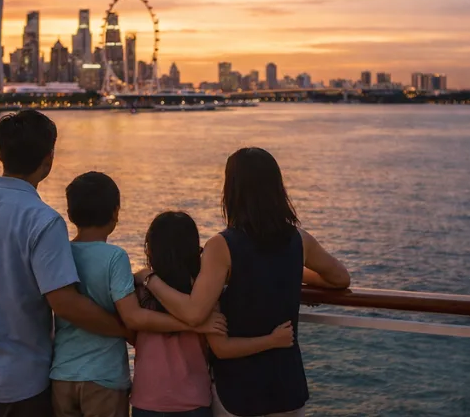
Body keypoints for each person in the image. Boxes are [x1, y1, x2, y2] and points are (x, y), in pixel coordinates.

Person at [0, 111, 129, 417]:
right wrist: (125, 329)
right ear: (49, 159)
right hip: (23, 384)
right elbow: (64, 302)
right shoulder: (43, 220)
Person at [137, 147, 351, 417]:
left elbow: (194, 313)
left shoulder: (222, 246)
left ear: (232, 190)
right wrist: (290, 270)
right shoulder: (299, 239)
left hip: (240, 390)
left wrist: (148, 277)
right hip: (287, 387)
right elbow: (340, 278)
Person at [51, 173, 227, 417]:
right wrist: (194, 324)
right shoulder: (116, 258)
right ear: (115, 213)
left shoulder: (61, 255)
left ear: (70, 214)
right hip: (107, 377)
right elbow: (133, 319)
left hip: (63, 373)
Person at [132, 211, 294, 417]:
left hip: (147, 399)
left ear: (152, 248)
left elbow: (129, 331)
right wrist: (271, 340)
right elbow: (223, 349)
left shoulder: (139, 291)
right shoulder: (203, 294)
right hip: (193, 400)